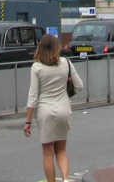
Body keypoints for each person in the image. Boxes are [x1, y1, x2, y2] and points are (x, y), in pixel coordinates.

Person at [24, 33, 83, 182]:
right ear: (56, 48)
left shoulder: (36, 67)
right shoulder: (66, 63)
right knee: (61, 150)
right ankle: (65, 179)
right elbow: (79, 85)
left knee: (48, 153)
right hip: (63, 109)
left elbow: (33, 96)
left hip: (45, 111)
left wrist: (28, 121)